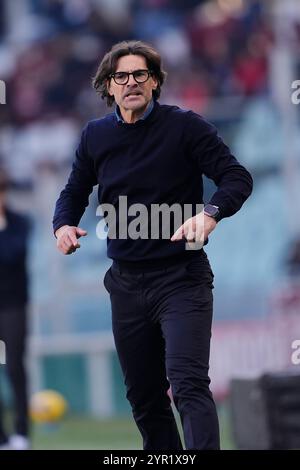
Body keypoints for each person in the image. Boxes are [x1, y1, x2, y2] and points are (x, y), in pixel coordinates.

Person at [53, 40, 253, 450]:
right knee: (144, 399)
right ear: (108, 86)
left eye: (140, 74)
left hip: (182, 279)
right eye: (121, 76)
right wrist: (63, 226)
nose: (131, 83)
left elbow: (236, 177)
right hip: (125, 285)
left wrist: (210, 213)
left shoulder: (186, 126)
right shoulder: (95, 136)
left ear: (156, 81)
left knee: (188, 385)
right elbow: (73, 191)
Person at [0, 168, 31, 450]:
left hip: (12, 308)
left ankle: (22, 431)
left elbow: (11, 254)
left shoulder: (19, 223)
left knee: (14, 367)